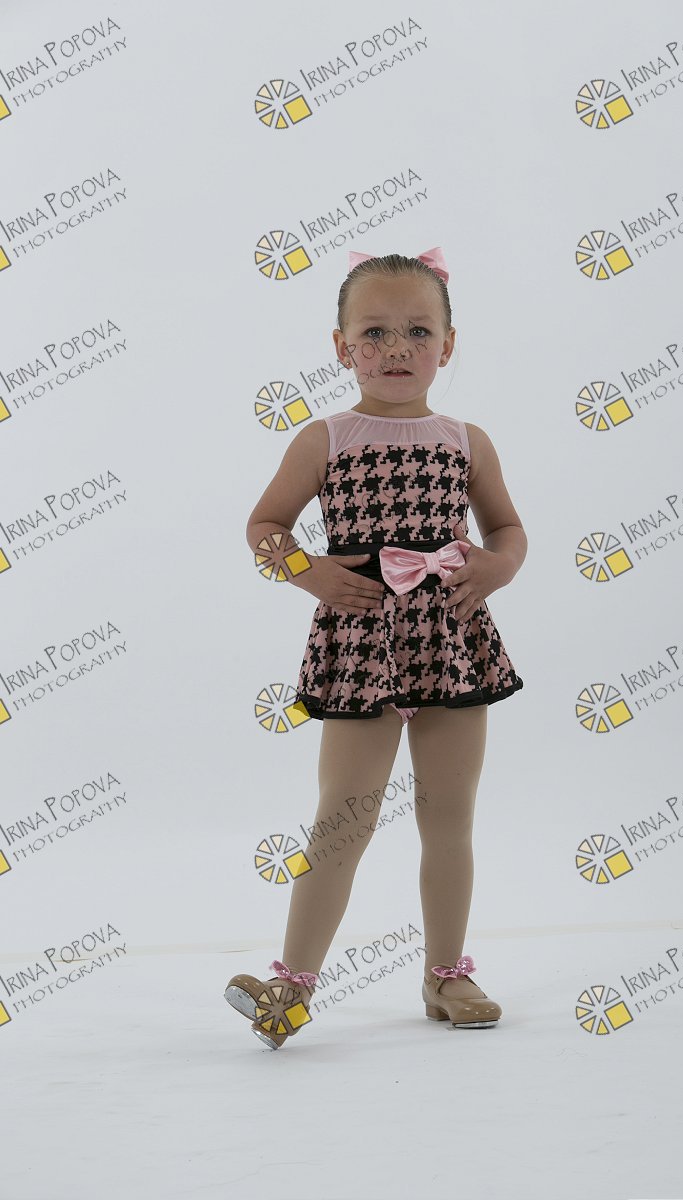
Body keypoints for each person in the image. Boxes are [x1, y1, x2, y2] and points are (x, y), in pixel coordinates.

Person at [224, 247, 526, 1049]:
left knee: (449, 815)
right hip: (359, 639)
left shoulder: (466, 440)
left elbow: (507, 528)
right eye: (375, 332)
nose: (397, 348)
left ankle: (446, 974)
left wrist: (497, 567)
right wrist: (310, 573)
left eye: (418, 331)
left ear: (448, 346)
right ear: (342, 346)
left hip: (450, 636)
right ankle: (291, 987)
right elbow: (265, 526)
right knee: (343, 817)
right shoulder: (325, 438)